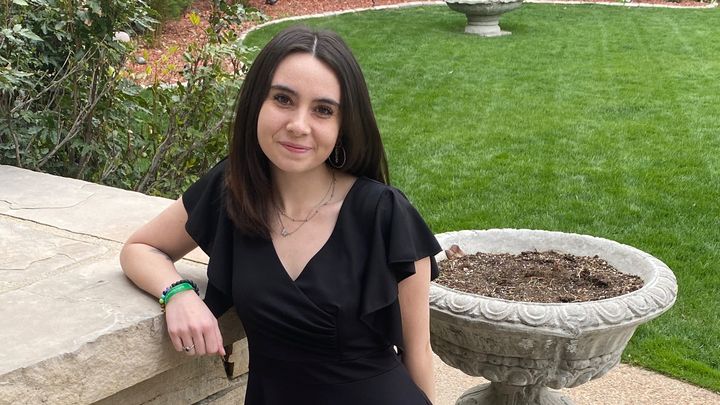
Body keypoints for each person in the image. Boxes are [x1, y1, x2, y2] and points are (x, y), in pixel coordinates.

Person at [120, 25, 441, 405]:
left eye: (323, 110)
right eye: (283, 99)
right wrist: (178, 294)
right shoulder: (231, 190)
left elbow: (418, 352)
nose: (298, 125)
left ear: (343, 125)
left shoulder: (384, 214)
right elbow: (140, 249)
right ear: (257, 101)